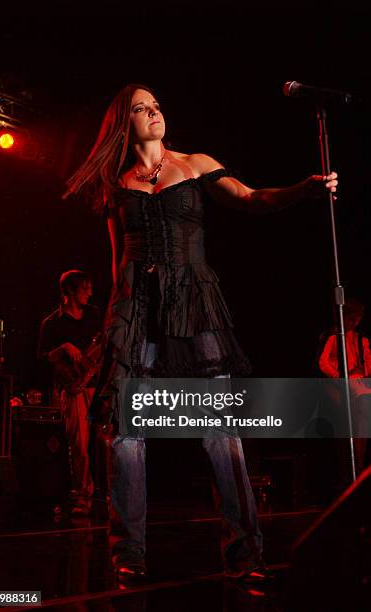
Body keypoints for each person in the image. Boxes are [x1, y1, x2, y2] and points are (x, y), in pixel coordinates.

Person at [63, 83, 338, 580]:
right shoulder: (116, 182)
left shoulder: (193, 164)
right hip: (135, 308)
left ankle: (245, 551)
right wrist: (114, 322)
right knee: (126, 433)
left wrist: (305, 189)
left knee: (219, 429)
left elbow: (251, 198)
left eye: (156, 105)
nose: (153, 113)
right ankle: (129, 552)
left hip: (193, 304)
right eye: (141, 109)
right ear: (123, 123)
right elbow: (115, 258)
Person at [37, 270, 102, 515]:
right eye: (85, 288)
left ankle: (109, 495)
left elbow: (104, 346)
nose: (90, 293)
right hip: (72, 388)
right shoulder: (51, 324)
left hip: (95, 385)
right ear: (69, 292)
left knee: (107, 442)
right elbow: (42, 361)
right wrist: (64, 348)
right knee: (79, 445)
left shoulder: (94, 316)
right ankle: (82, 496)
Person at [318, 298, 371, 476]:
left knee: (362, 424)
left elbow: (367, 367)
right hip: (342, 385)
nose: (355, 323)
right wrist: (340, 376)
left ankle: (359, 465)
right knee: (349, 426)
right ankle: (351, 469)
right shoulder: (333, 336)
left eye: (358, 319)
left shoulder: (360, 340)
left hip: (358, 383)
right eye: (351, 319)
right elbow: (323, 363)